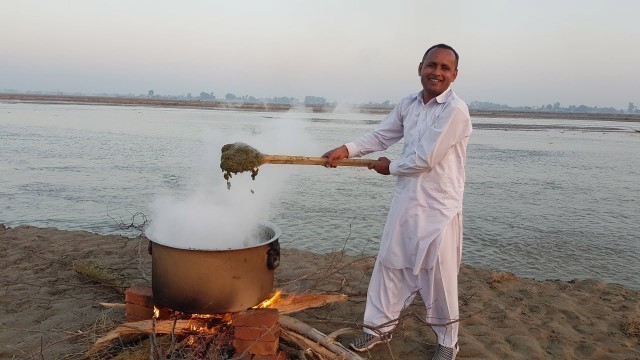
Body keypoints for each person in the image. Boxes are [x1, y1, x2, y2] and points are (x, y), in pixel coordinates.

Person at [323, 44, 471, 360]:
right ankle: (377, 330)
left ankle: (448, 342)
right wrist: (347, 149)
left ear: (454, 75)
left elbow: (426, 159)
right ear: (420, 68)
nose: (437, 72)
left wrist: (388, 167)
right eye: (433, 65)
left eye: (446, 68)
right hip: (407, 200)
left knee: (439, 276)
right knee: (390, 265)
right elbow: (381, 137)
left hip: (439, 208)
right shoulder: (408, 104)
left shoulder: (455, 111)